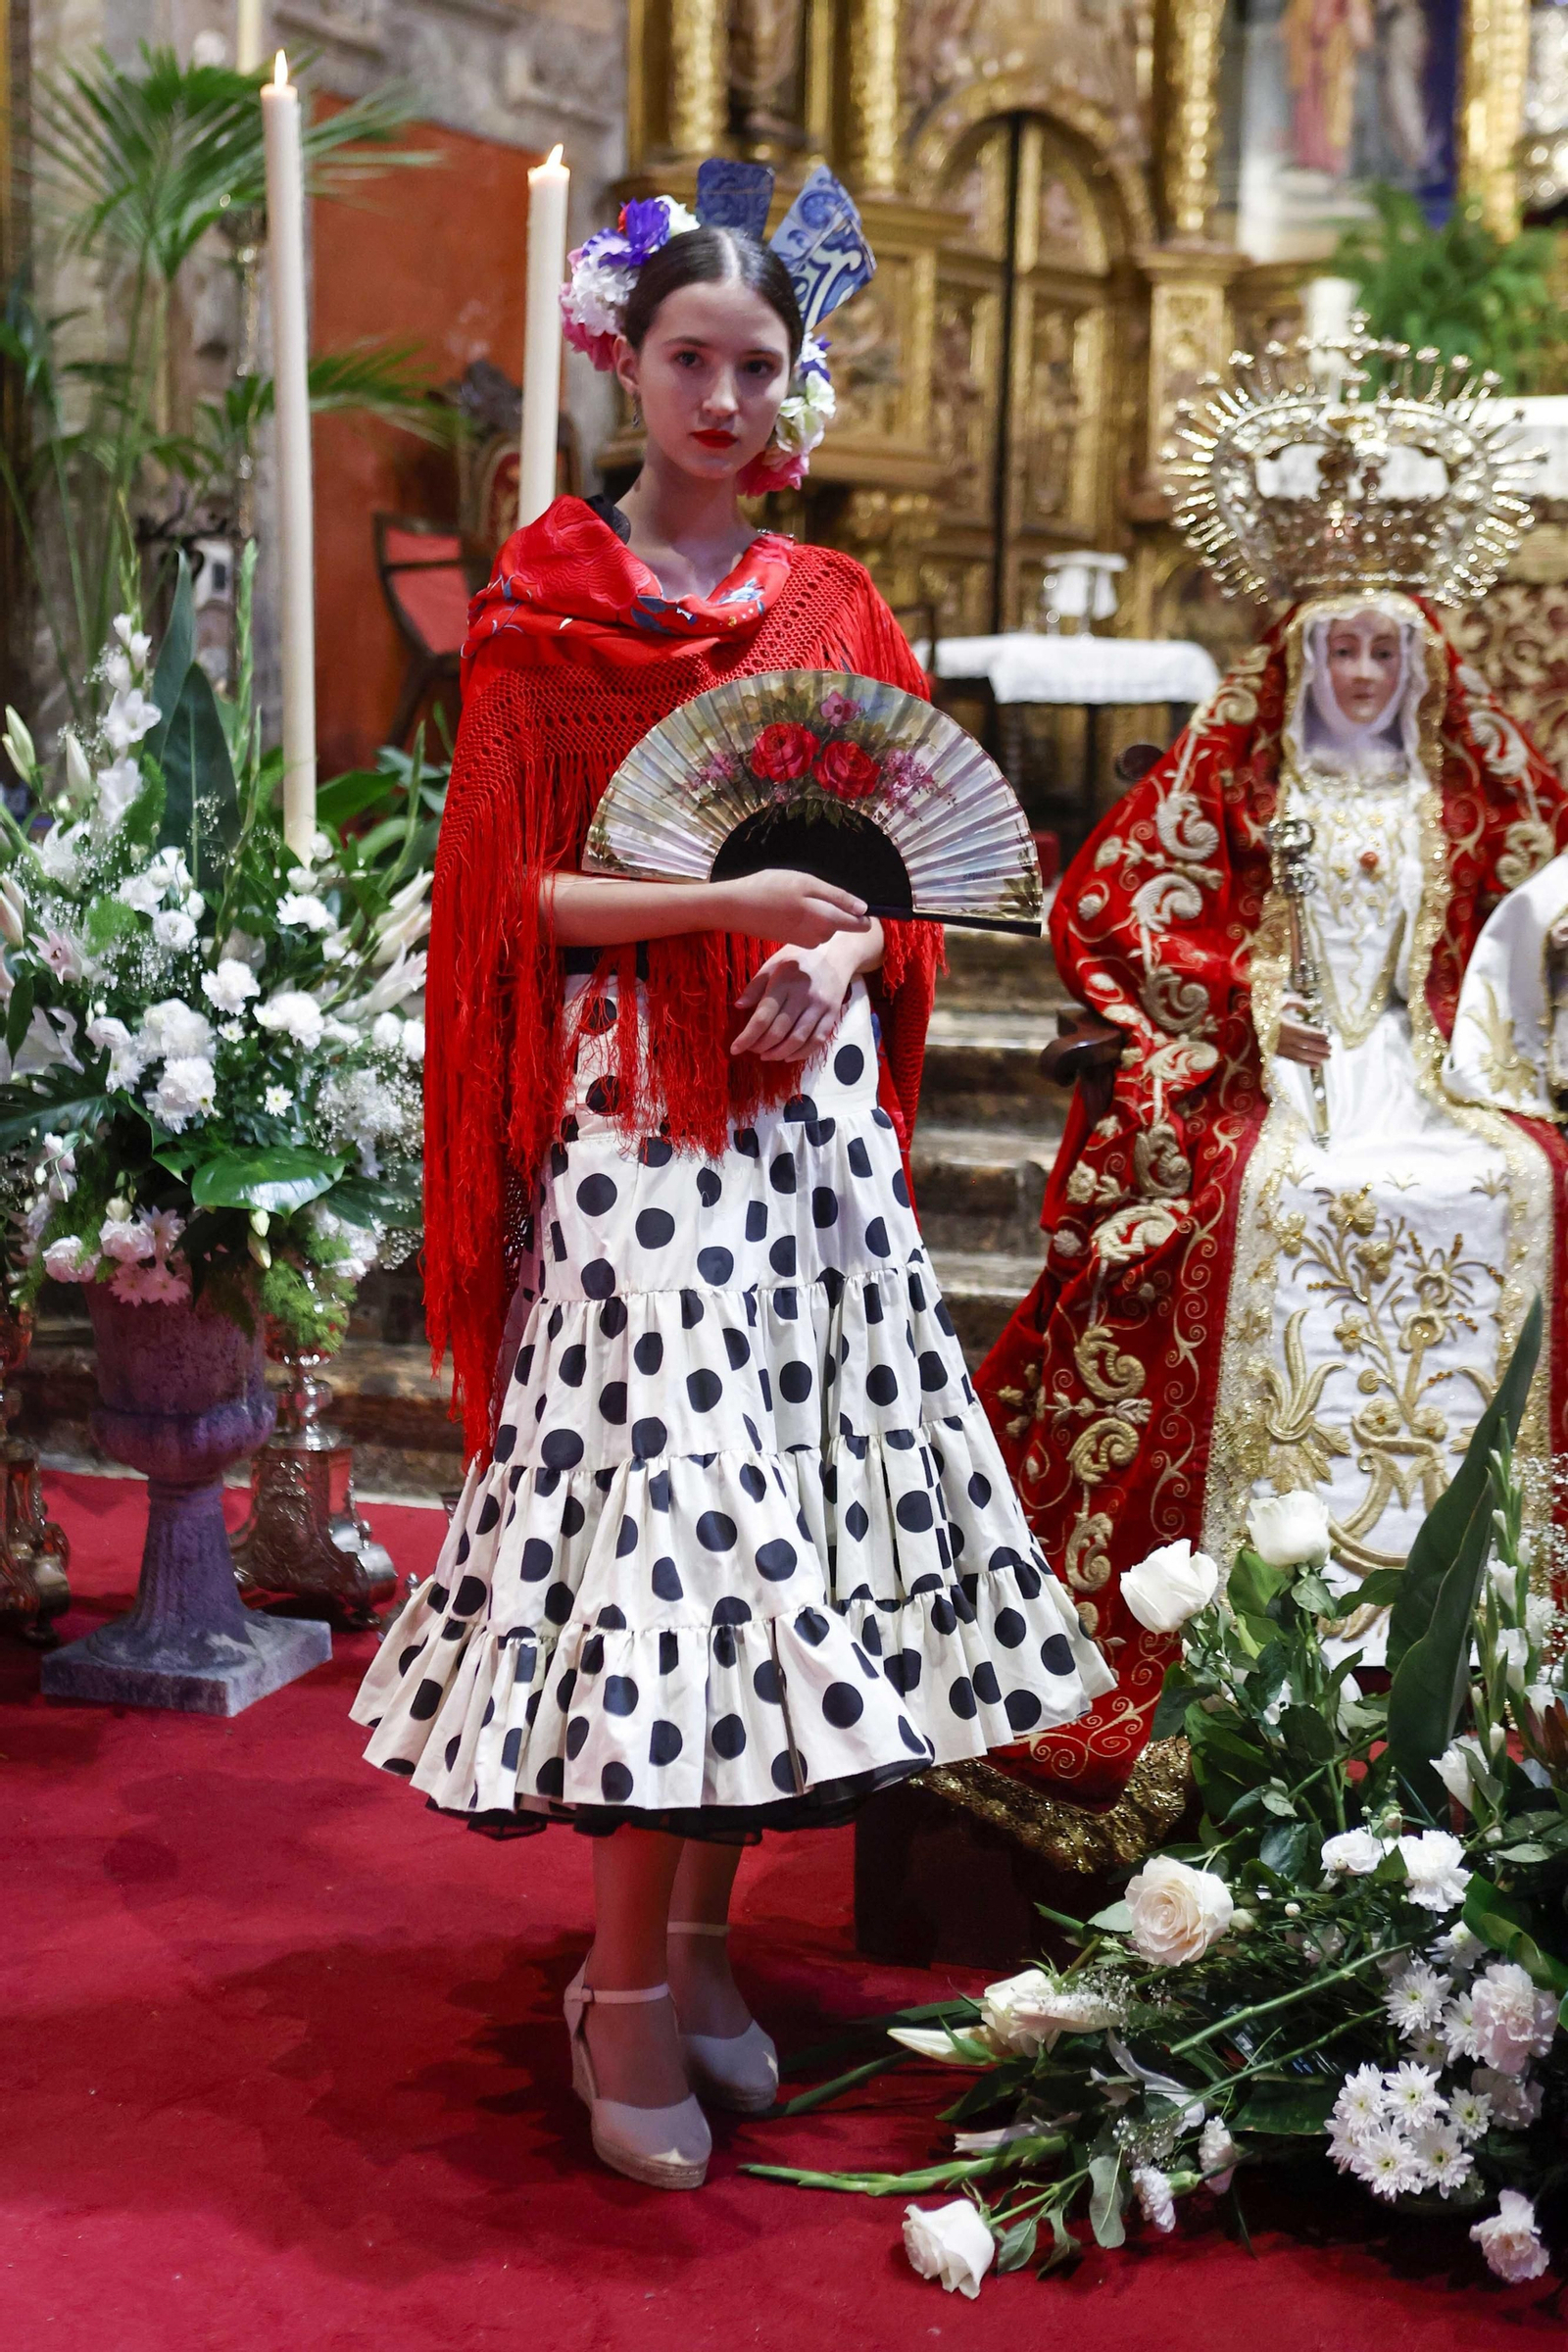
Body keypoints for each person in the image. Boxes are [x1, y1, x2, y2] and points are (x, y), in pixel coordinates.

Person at [350, 169, 1112, 2192]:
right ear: (625, 359)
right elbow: (512, 895)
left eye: (756, 366)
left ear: (794, 383)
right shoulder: (544, 604)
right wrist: (722, 905)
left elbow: (907, 883)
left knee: (777, 1528)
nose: (721, 396)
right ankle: (614, 1987)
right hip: (636, 1124)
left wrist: (839, 952)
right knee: (675, 1541)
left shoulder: (830, 608)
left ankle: (692, 1958)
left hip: (804, 1129)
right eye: (689, 356)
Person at [977, 559, 1568, 1808]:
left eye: (1382, 652)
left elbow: (1533, 904)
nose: (1360, 673)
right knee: (1249, 1199)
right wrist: (1249, 999)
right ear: (1299, 662)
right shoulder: (1241, 782)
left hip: (1431, 1069)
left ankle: (1496, 1633)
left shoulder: (1466, 792)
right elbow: (1122, 906)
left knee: (1528, 1183)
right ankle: (1252, 1609)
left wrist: (1503, 1001)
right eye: (1339, 649)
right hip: (1273, 1083)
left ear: (1420, 668)